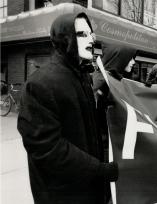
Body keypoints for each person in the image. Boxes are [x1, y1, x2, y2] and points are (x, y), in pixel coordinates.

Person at [17, 13, 118, 204]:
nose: (90, 39)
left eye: (91, 34)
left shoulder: (82, 78)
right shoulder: (41, 83)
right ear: (64, 38)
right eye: (81, 34)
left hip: (88, 191)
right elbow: (47, 148)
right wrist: (100, 170)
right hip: (62, 195)